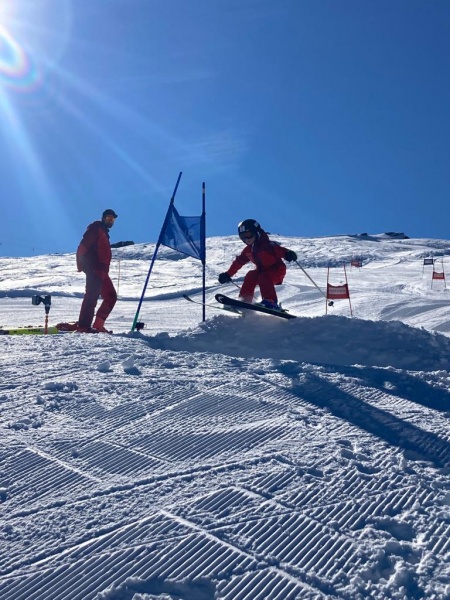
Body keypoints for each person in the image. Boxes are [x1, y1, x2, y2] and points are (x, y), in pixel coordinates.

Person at [218, 219, 297, 310]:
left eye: (248, 235)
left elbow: (279, 250)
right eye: (242, 237)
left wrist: (287, 253)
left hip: (277, 271)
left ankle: (271, 301)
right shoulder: (248, 250)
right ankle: (245, 300)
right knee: (251, 275)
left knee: (264, 276)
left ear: (257, 233)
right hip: (261, 272)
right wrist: (228, 274)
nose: (246, 239)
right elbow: (238, 262)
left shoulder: (268, 245)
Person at [76, 209, 118, 333]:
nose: (110, 221)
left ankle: (98, 325)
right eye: (108, 218)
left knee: (111, 296)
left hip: (103, 272)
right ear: (103, 218)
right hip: (94, 269)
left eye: (112, 219)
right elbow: (82, 247)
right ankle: (84, 326)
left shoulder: (104, 233)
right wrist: (82, 266)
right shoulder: (95, 229)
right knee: (91, 296)